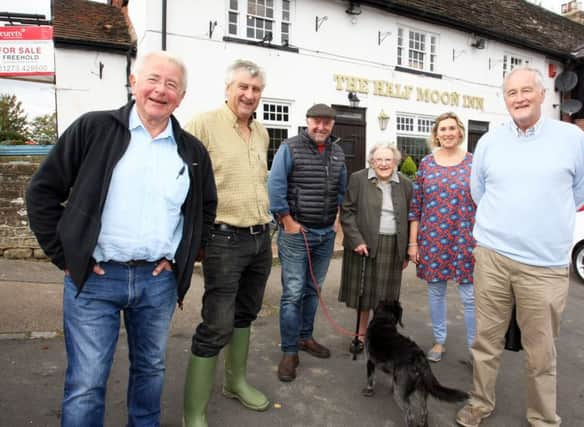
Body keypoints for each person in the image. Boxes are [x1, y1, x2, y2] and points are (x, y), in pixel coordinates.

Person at [25, 51, 217, 427]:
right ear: (133, 83)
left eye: (172, 85)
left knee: (150, 371)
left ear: (181, 97)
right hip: (94, 279)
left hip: (157, 281)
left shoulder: (192, 151)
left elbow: (205, 210)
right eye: (153, 80)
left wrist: (184, 256)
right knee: (87, 382)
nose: (161, 91)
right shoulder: (93, 129)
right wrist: (65, 256)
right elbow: (41, 192)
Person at [456, 67, 584, 427]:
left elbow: (578, 194)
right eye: (511, 92)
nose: (519, 98)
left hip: (544, 264)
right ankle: (479, 403)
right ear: (505, 99)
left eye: (526, 90)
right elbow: (478, 193)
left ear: (543, 94)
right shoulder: (488, 142)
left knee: (541, 351)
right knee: (486, 341)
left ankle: (543, 418)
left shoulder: (571, 138)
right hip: (493, 258)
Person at [183, 59, 272, 426]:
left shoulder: (263, 131)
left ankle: (235, 383)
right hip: (223, 239)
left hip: (260, 238)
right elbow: (184, 184)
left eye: (255, 89)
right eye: (243, 87)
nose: (249, 95)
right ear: (228, 88)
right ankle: (194, 413)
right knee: (216, 324)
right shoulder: (202, 124)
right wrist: (194, 237)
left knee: (245, 314)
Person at [268, 103, 346, 382]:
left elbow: (341, 189)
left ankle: (305, 337)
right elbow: (275, 185)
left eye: (327, 123)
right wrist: (286, 220)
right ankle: (289, 351)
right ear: (307, 121)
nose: (321, 127)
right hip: (296, 234)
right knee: (293, 292)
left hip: (325, 234)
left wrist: (337, 219)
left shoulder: (337, 152)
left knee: (314, 289)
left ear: (332, 125)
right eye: (316, 122)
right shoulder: (289, 147)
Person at [407, 112, 476, 363]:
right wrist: (413, 243)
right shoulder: (426, 163)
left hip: (466, 239)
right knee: (436, 293)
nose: (447, 133)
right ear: (436, 134)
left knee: (470, 297)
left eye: (452, 128)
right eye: (442, 129)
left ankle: (474, 348)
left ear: (460, 132)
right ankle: (439, 341)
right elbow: (416, 206)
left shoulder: (473, 163)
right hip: (432, 239)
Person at [338, 143, 412, 352]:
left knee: (387, 297)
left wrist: (406, 250)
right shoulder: (358, 179)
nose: (383, 163)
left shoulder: (405, 184)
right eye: (378, 159)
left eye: (388, 159)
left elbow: (410, 218)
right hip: (365, 244)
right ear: (371, 161)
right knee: (365, 293)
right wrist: (356, 240)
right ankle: (361, 335)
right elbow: (347, 211)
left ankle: (384, 335)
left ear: (395, 162)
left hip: (393, 245)